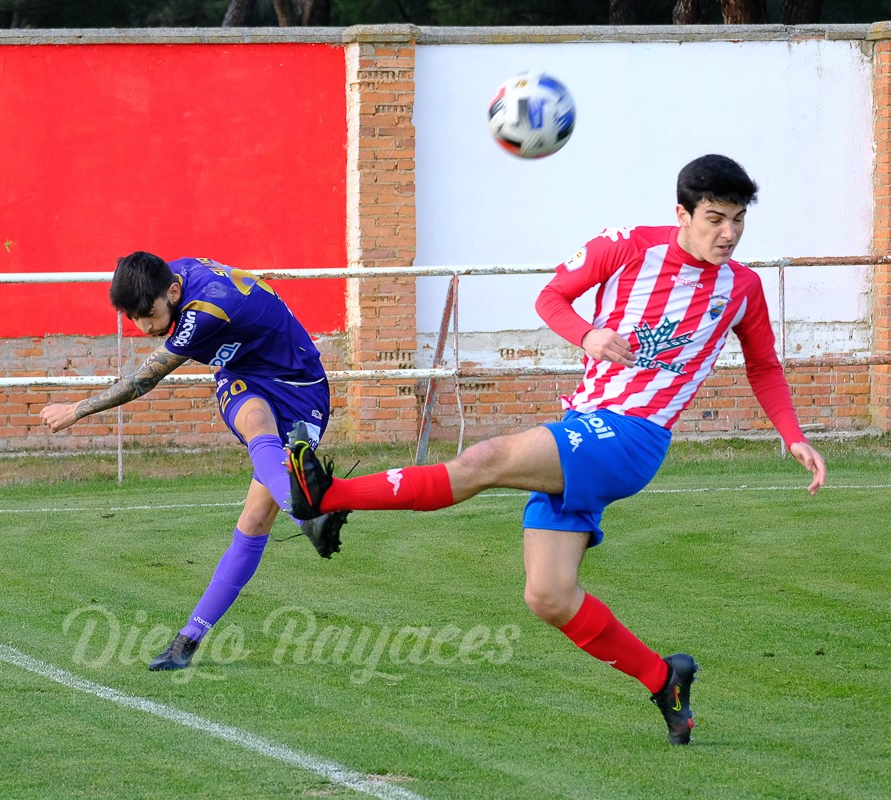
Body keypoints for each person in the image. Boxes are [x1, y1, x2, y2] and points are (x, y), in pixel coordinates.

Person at [286, 154, 826, 745]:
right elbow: (551, 299)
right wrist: (588, 334)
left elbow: (764, 365)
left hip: (632, 438)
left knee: (485, 460)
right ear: (682, 212)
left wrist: (793, 435)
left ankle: (327, 497)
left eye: (739, 221)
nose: (728, 234)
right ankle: (663, 677)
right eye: (715, 219)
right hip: (586, 424)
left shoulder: (741, 288)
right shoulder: (625, 247)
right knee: (548, 595)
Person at [41, 251, 347, 671]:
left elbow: (142, 380)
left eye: (148, 314)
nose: (145, 327)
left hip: (300, 386)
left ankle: (190, 638)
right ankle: (306, 517)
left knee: (255, 521)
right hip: (243, 375)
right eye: (134, 318)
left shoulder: (204, 311)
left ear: (173, 292)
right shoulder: (173, 278)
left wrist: (77, 409)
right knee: (257, 425)